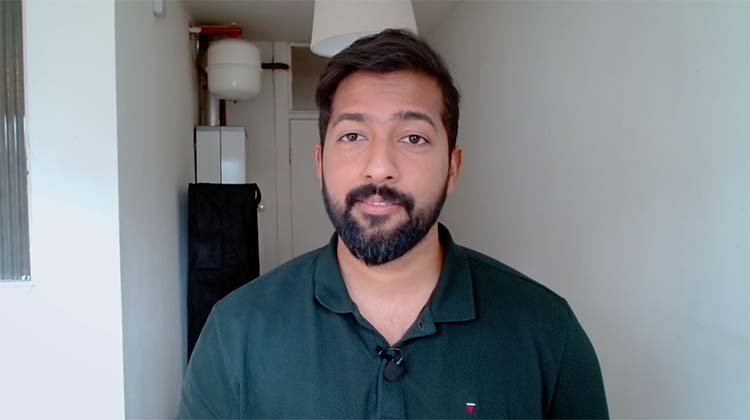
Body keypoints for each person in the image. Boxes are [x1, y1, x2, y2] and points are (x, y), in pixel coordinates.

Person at [177, 29, 608, 419]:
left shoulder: (546, 331)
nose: (380, 166)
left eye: (413, 138)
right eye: (353, 136)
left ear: (453, 168)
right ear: (320, 164)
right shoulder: (235, 332)